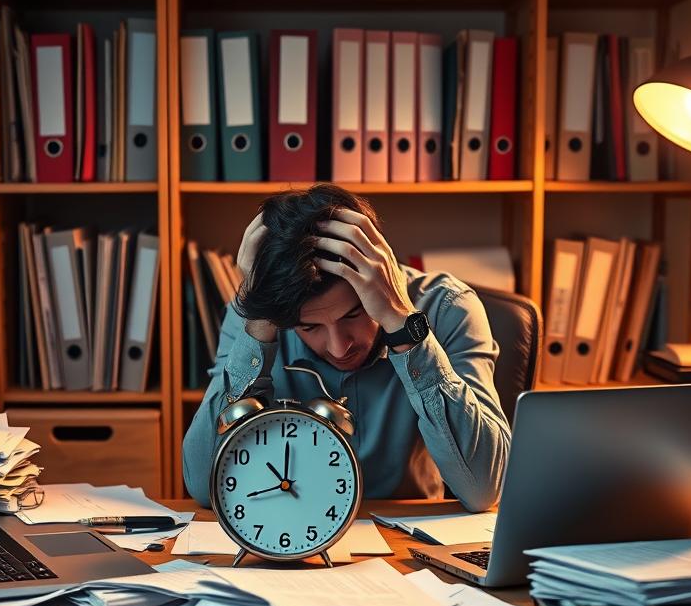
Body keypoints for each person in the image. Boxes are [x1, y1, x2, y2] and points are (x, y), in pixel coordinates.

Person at [183, 184, 510, 511]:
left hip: (408, 538)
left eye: (355, 313)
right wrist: (258, 321)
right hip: (288, 525)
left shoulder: (448, 308)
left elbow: (484, 489)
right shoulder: (257, 319)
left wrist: (401, 322)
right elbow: (202, 485)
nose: (339, 348)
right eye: (309, 327)